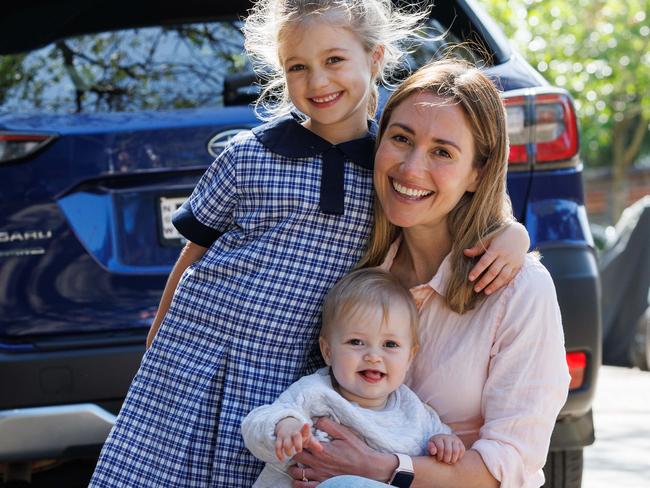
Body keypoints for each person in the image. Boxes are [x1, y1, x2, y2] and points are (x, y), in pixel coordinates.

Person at [89, 1, 531, 485]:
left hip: (285, 361)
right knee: (158, 468)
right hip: (200, 342)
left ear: (376, 57)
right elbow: (194, 250)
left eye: (334, 60)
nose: (317, 82)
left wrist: (513, 232)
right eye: (297, 67)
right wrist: (161, 329)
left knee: (256, 466)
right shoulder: (249, 156)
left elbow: (459, 201)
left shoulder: (389, 164)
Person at [286, 59, 571, 488]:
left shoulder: (518, 289)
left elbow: (508, 464)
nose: (411, 168)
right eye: (401, 139)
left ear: (478, 172)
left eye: (442, 151)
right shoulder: (349, 262)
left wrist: (379, 468)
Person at [241, 268, 465, 487]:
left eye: (390, 344)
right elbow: (256, 425)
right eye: (356, 342)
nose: (373, 356)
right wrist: (284, 426)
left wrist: (446, 444)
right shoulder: (315, 393)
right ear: (328, 352)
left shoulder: (415, 411)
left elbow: (442, 442)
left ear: (409, 357)